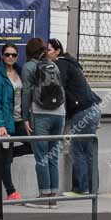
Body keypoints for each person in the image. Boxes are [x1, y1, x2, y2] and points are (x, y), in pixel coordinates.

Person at [48, 38, 102, 197]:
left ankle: (80, 189)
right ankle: (92, 189)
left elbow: (60, 87)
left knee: (77, 150)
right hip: (92, 108)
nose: (46, 53)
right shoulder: (71, 63)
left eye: (49, 50)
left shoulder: (60, 64)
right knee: (89, 152)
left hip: (83, 111)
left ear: (57, 51)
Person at [21, 37, 65, 208]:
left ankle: (42, 196)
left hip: (41, 114)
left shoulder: (29, 67)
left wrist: (25, 117)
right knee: (53, 156)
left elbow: (26, 93)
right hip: (59, 114)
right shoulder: (53, 65)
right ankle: (53, 198)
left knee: (41, 157)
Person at [0, 43, 32, 201]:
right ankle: (11, 192)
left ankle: (4, 155)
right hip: (5, 123)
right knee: (5, 161)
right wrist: (0, 124)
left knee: (33, 145)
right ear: (2, 56)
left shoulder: (20, 72)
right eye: (7, 54)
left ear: (17, 56)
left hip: (20, 120)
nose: (10, 57)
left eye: (13, 55)